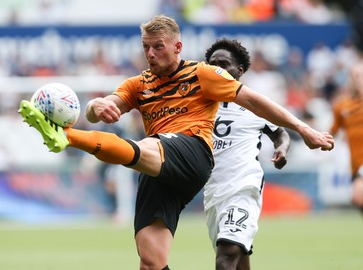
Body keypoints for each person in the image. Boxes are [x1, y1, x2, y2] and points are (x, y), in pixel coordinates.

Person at [19, 15, 334, 270]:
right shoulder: (138, 84)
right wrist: (97, 105)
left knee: (145, 145)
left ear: (178, 46)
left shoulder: (203, 74)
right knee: (151, 260)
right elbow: (100, 106)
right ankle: (71, 135)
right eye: (146, 48)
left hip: (192, 152)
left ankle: (68, 137)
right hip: (159, 166)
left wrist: (303, 130)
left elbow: (255, 101)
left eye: (158, 47)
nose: (151, 54)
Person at [203, 38, 291, 270]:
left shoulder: (255, 104)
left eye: (224, 64)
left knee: (226, 258)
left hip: (243, 187)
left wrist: (281, 148)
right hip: (213, 192)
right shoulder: (197, 105)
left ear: (239, 70)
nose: (218, 69)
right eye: (213, 64)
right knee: (238, 258)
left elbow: (280, 133)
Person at [330, 60, 363, 211]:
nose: (359, 79)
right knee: (357, 200)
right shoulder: (342, 105)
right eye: (356, 76)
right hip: (356, 163)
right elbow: (333, 131)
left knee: (358, 195)